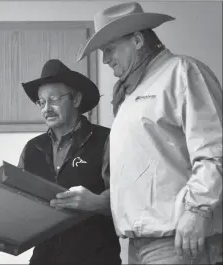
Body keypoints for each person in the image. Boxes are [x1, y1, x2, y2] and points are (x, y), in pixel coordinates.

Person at [77, 2, 223, 265]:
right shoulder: (130, 94)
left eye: (109, 49)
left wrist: (197, 210)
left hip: (180, 239)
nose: (105, 59)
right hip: (140, 244)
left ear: (136, 40)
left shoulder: (182, 72)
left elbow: (215, 149)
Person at [0, 59, 121, 264]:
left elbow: (128, 201)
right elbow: (20, 205)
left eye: (54, 99)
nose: (47, 108)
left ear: (77, 99)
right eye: (41, 102)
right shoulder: (32, 148)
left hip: (96, 258)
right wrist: (2, 234)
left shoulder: (107, 140)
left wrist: (97, 203)